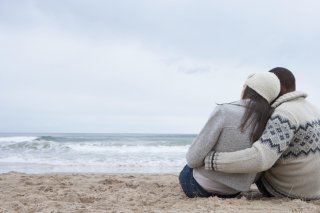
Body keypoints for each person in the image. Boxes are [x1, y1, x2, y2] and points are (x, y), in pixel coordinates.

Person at [204, 67, 320, 200]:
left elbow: (260, 159)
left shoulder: (283, 114)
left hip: (289, 191)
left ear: (278, 87)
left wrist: (211, 160)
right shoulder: (314, 109)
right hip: (315, 189)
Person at [179, 72, 281, 198]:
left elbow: (192, 159)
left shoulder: (224, 111)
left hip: (200, 187)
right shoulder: (272, 121)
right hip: (233, 192)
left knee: (187, 169)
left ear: (247, 89)